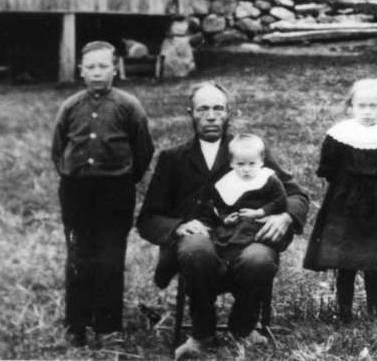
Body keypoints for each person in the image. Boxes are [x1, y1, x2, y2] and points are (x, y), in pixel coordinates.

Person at [137, 82, 310, 360]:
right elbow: (148, 218)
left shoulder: (248, 151)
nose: (211, 115)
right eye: (202, 109)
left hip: (248, 236)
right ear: (190, 113)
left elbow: (296, 193)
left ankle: (243, 327)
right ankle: (202, 333)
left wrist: (285, 215)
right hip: (200, 238)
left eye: (218, 108)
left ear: (229, 113)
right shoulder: (173, 159)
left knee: (259, 259)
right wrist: (178, 226)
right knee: (195, 249)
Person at [51, 40, 154, 348]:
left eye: (103, 66)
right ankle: (77, 323)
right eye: (91, 67)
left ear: (115, 68)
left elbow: (143, 150)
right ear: (81, 71)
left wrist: (123, 179)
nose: (97, 73)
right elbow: (59, 150)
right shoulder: (70, 106)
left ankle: (107, 325)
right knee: (79, 256)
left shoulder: (128, 106)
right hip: (77, 191)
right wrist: (74, 176)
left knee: (110, 257)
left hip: (115, 192)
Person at [303, 78, 377, 323]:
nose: (368, 112)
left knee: (374, 259)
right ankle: (344, 311)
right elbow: (327, 167)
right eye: (362, 106)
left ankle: (374, 310)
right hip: (344, 202)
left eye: (374, 106)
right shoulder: (340, 134)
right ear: (351, 106)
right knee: (345, 259)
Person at [203, 134, 288, 250]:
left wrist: (260, 212)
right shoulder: (227, 182)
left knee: (240, 242)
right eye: (240, 164)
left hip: (260, 223)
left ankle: (233, 252)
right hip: (233, 227)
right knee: (218, 239)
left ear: (261, 162)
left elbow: (280, 200)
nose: (246, 169)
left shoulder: (268, 179)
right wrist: (226, 218)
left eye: (252, 163)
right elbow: (219, 206)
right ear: (232, 163)